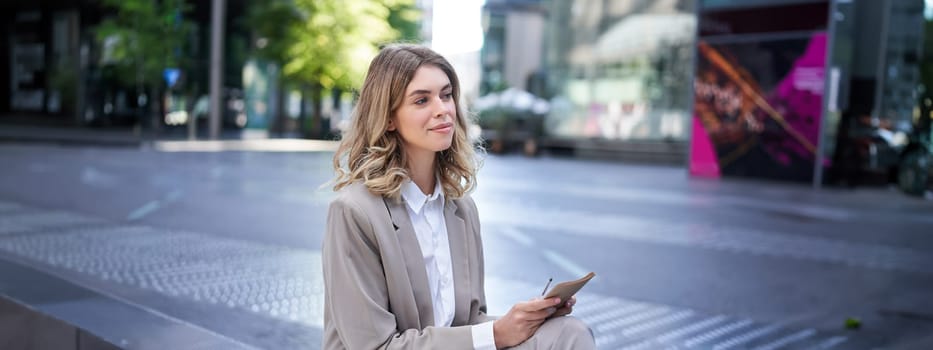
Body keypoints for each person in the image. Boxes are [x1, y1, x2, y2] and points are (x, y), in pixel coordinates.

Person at [323, 44, 595, 350]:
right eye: (422, 100)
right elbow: (374, 346)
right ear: (388, 118)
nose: (443, 109)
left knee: (568, 332)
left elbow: (467, 322)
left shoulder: (461, 210)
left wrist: (527, 319)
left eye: (446, 94)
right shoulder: (354, 212)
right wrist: (496, 334)